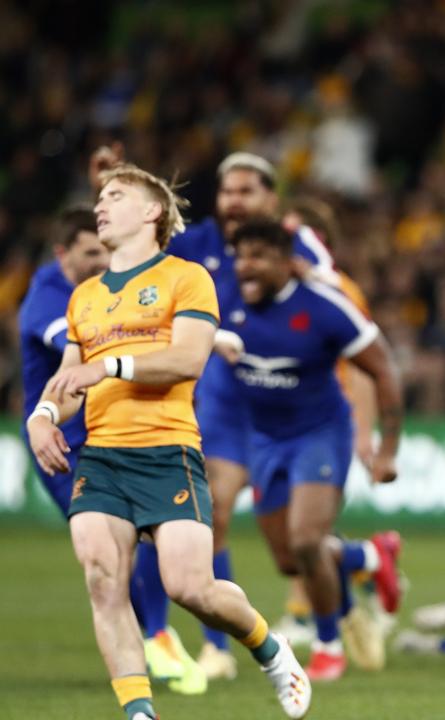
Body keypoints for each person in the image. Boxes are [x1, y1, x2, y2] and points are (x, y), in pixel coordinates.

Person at [25, 164, 310, 719]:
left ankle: (270, 650)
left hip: (167, 451)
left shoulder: (186, 277)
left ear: (152, 212)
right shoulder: (83, 296)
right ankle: (140, 713)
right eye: (100, 196)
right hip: (101, 456)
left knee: (191, 587)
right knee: (105, 581)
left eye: (115, 195)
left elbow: (187, 358)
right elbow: (68, 381)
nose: (101, 205)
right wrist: (42, 414)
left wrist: (107, 365)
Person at [88, 146, 338, 679]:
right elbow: (140, 235)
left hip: (285, 409)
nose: (234, 201)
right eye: (227, 191)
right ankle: (215, 648)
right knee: (212, 516)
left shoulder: (297, 243)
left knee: (296, 549)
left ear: (271, 198)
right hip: (223, 405)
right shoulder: (197, 245)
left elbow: (329, 296)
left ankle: (357, 567)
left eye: (247, 191)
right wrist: (112, 187)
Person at [18, 207, 210, 692]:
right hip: (66, 442)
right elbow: (80, 357)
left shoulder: (119, 287)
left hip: (130, 438)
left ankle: (167, 636)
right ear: (63, 254)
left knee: (171, 564)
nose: (96, 260)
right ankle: (152, 647)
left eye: (101, 251)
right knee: (105, 562)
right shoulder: (49, 298)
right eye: (87, 253)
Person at [224, 218, 404, 680]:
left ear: (287, 263)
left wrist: (386, 449)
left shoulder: (324, 307)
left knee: (305, 540)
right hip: (263, 439)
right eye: (240, 256)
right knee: (291, 559)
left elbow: (383, 370)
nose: (246, 267)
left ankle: (328, 646)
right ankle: (367, 556)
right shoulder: (222, 300)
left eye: (259, 257)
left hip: (319, 434)